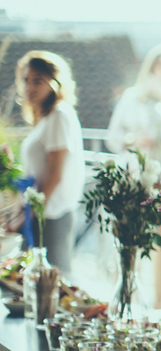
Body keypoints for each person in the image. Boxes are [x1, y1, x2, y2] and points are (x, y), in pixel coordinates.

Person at [107, 43, 161, 309]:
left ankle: (160, 301)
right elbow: (112, 137)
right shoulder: (132, 98)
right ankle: (127, 291)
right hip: (136, 178)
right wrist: (133, 139)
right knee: (131, 235)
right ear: (151, 67)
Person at [16, 51, 85, 275]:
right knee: (37, 282)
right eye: (26, 80)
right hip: (42, 213)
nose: (29, 86)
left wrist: (31, 213)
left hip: (52, 216)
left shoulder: (59, 114)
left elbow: (55, 174)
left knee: (55, 281)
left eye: (38, 80)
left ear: (54, 82)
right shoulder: (46, 117)